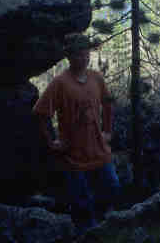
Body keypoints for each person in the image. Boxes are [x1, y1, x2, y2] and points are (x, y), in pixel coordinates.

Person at [33, 33, 120, 233]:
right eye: (79, 54)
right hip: (74, 157)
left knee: (112, 187)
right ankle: (88, 233)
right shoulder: (60, 83)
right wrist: (52, 142)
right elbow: (40, 112)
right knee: (82, 204)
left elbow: (108, 105)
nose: (84, 57)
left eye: (86, 52)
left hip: (99, 151)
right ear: (69, 57)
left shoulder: (96, 78)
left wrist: (108, 131)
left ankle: (101, 226)